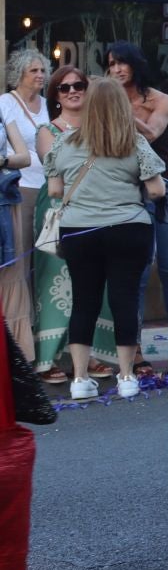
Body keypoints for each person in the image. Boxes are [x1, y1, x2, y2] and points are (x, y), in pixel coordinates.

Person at [42, 79, 167, 402]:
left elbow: (55, 191)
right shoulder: (134, 142)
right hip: (128, 228)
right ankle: (126, 376)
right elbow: (157, 190)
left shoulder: (64, 144)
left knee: (84, 301)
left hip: (79, 232)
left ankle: (80, 379)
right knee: (124, 300)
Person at [105, 42, 168, 378]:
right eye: (111, 64)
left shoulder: (162, 99)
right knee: (136, 274)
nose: (116, 70)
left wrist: (119, 109)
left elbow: (152, 132)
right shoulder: (108, 98)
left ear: (136, 65)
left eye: (121, 63)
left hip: (165, 186)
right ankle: (135, 349)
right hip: (126, 188)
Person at [29, 68, 116, 383]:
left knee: (93, 283)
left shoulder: (103, 127)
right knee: (55, 285)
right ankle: (47, 358)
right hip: (58, 210)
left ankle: (89, 355)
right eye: (64, 88)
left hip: (97, 209)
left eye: (79, 85)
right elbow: (57, 172)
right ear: (55, 95)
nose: (72, 91)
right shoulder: (46, 130)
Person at [1, 46, 50, 356]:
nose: (40, 76)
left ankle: (43, 329)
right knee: (19, 261)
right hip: (20, 190)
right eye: (34, 71)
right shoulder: (5, 103)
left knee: (45, 260)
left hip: (47, 188)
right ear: (19, 73)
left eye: (43, 70)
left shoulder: (48, 105)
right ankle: (22, 333)